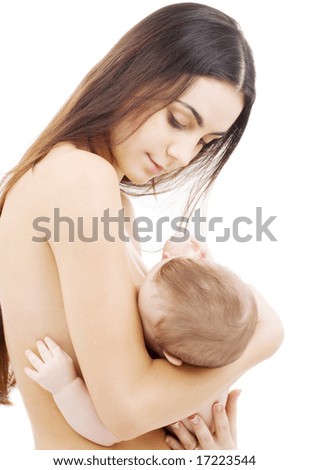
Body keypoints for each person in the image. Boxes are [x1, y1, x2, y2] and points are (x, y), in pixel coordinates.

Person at [0, 3, 283, 450]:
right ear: (132, 75)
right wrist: (266, 336)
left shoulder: (107, 198)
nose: (184, 155)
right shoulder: (78, 176)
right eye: (178, 120)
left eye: (205, 141)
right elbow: (126, 409)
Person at [24, 235, 258, 447]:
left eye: (139, 309)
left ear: (172, 357)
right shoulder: (215, 332)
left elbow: (108, 432)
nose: (165, 256)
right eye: (163, 263)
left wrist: (65, 385)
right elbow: (210, 293)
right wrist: (188, 256)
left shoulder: (176, 391)